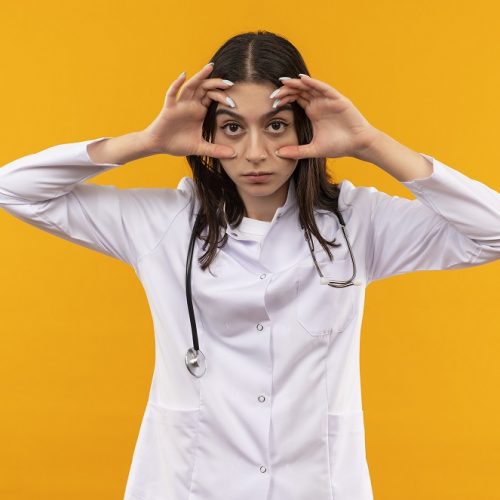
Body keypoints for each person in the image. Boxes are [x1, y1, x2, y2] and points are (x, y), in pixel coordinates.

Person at [0, 30, 499, 500]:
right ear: (207, 132)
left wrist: (370, 144)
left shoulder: (357, 224)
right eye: (233, 128)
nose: (255, 153)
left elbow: (492, 232)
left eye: (276, 126)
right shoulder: (163, 225)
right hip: (190, 484)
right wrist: (147, 141)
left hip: (316, 485)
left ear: (305, 128)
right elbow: (14, 189)